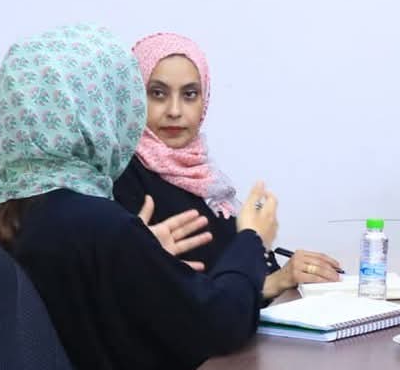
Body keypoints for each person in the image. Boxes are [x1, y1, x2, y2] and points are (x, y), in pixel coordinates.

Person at [0, 23, 275, 370]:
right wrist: (251, 239)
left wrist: (143, 252)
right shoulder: (101, 224)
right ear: (100, 110)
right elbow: (218, 326)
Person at [112, 30, 340, 302]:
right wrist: (270, 282)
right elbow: (175, 298)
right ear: (134, 98)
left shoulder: (203, 176)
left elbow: (242, 270)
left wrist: (288, 274)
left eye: (190, 94)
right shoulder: (122, 179)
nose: (174, 111)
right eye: (157, 93)